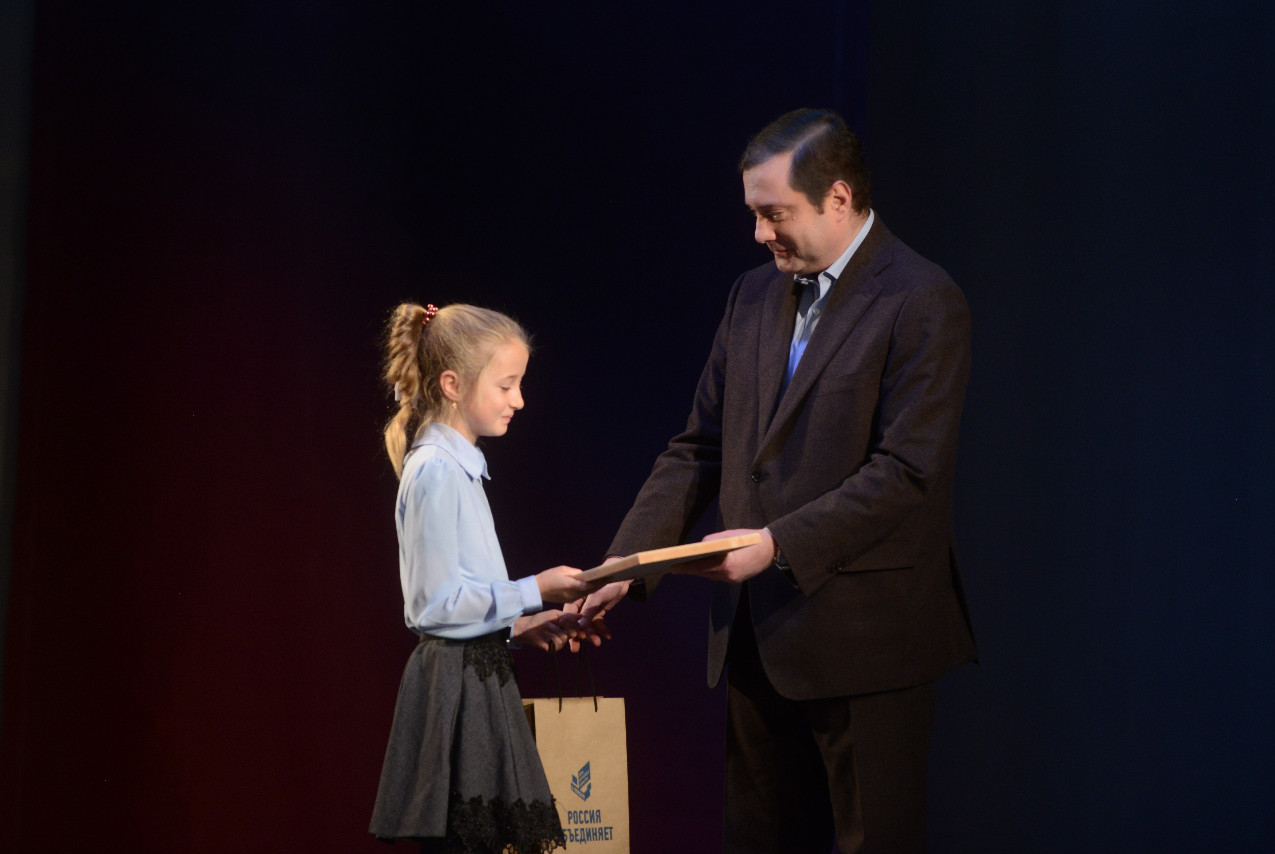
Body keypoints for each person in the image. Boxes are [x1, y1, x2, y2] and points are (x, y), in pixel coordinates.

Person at [582, 109, 977, 853]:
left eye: (774, 214)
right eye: (755, 214)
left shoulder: (921, 298)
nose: (760, 233)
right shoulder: (752, 296)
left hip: (868, 644)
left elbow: (907, 472)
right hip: (757, 639)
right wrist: (623, 567)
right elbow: (699, 447)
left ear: (838, 197)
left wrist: (776, 545)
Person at [370, 301, 595, 854]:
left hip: (477, 678)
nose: (519, 400)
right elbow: (432, 607)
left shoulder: (461, 468)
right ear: (452, 385)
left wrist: (517, 626)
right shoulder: (436, 470)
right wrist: (534, 589)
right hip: (455, 691)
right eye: (506, 386)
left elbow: (460, 596)